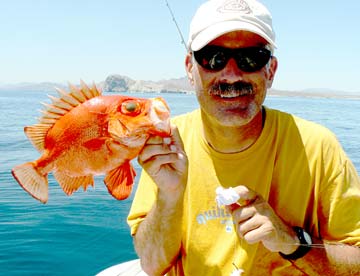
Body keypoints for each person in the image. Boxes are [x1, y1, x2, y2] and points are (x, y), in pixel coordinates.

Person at [127, 0, 360, 275]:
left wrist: (291, 241)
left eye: (252, 58)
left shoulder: (318, 147)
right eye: (213, 58)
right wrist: (169, 196)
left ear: (270, 71)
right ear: (190, 68)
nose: (232, 74)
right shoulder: (168, 143)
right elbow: (152, 264)